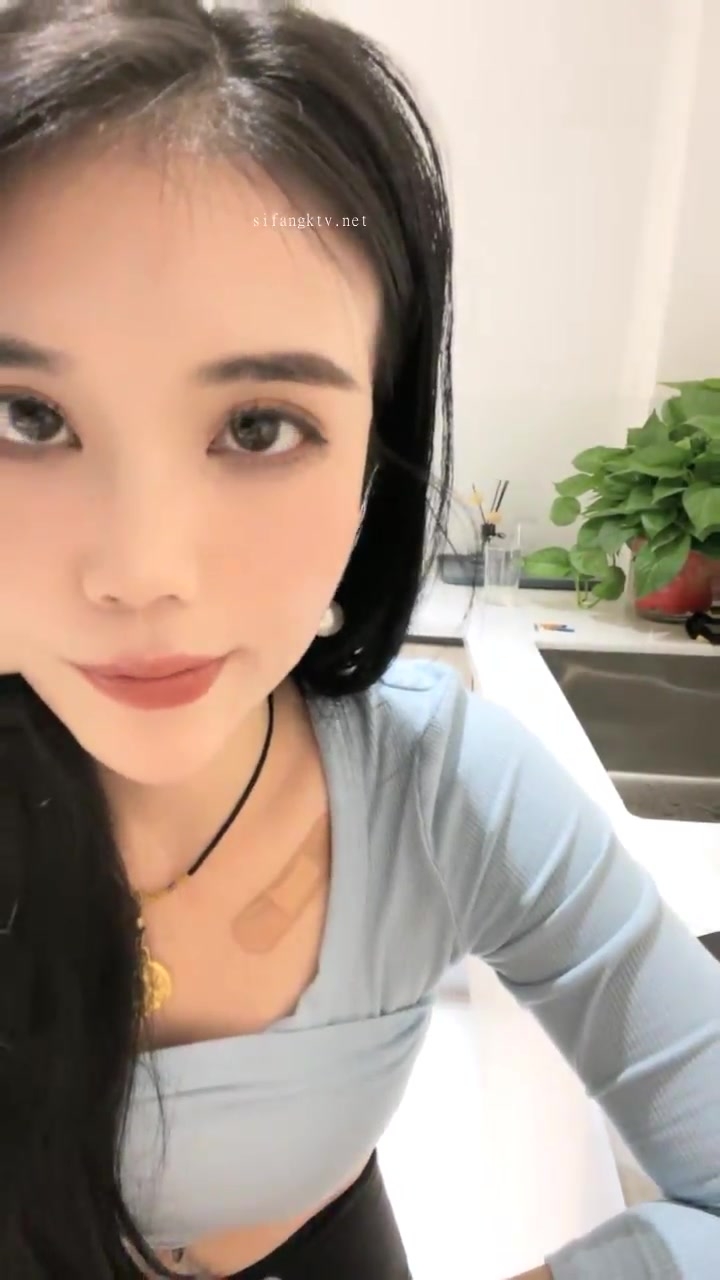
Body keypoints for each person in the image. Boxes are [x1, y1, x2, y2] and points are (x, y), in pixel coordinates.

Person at [0, 1, 717, 1277]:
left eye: (259, 426)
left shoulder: (442, 789)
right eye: (26, 416)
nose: (143, 571)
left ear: (375, 459)